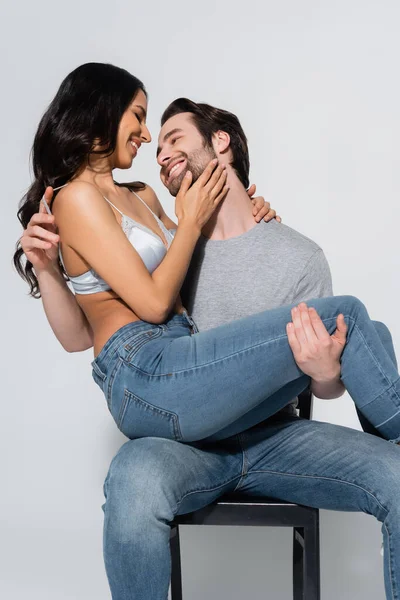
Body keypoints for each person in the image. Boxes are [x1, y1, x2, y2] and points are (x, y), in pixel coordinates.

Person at [15, 63, 400, 598]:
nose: (152, 140)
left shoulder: (159, 205)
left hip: (267, 432)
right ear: (102, 111)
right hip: (168, 404)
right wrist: (50, 270)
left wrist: (325, 374)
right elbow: (99, 326)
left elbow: (324, 382)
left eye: (168, 132)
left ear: (221, 146)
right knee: (134, 478)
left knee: (384, 414)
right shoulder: (116, 211)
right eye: (143, 119)